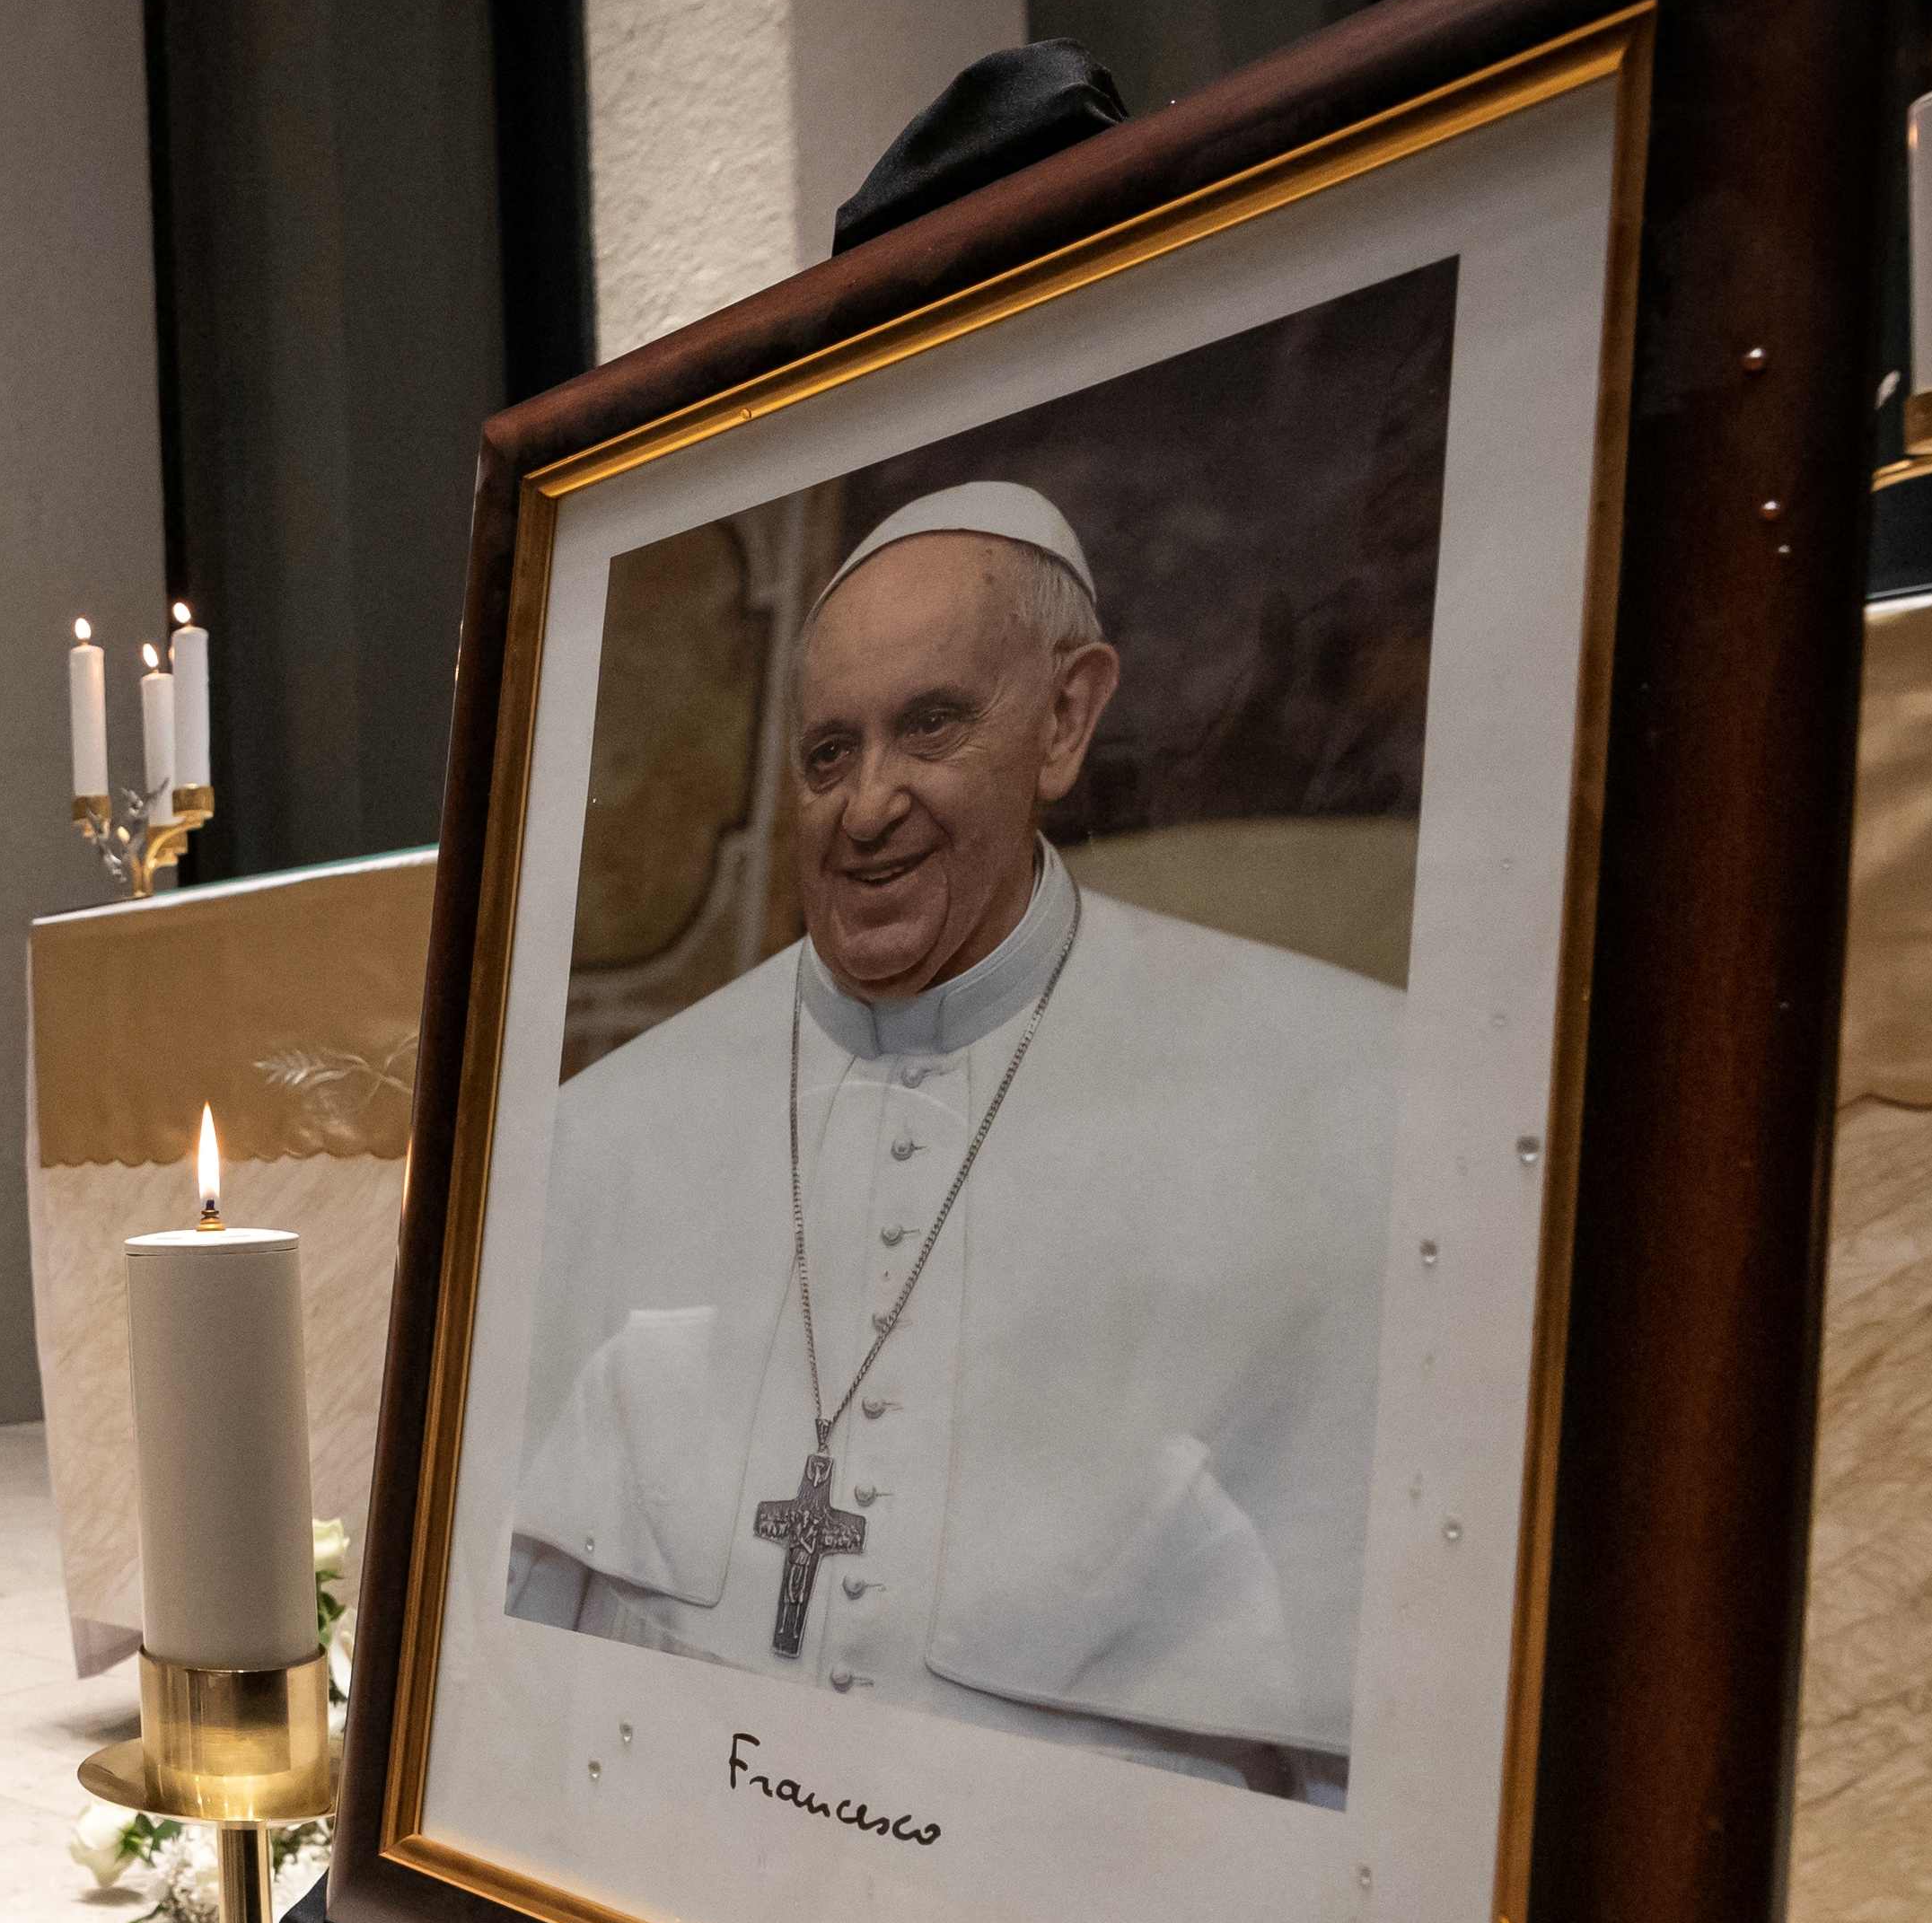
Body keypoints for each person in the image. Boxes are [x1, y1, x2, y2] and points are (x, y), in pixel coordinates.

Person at [505, 480, 1393, 1803]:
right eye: (826, 754)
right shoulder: (607, 1127)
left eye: (930, 728)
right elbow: (510, 1682)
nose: (867, 807)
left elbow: (1357, 1781)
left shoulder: (1342, 1102)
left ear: (1067, 717)